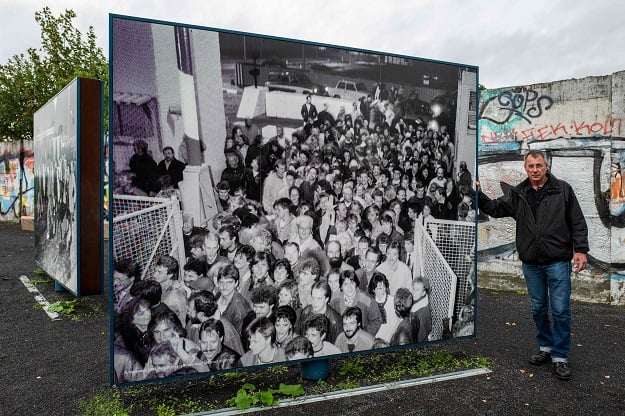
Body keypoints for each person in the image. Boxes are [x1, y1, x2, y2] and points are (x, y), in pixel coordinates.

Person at [477, 149, 589, 381]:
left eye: (539, 165)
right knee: (538, 308)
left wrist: (581, 251)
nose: (535, 170)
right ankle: (545, 348)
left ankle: (560, 357)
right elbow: (495, 209)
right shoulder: (519, 193)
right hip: (531, 263)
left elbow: (577, 221)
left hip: (557, 260)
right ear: (525, 168)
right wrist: (478, 195)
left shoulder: (563, 190)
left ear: (546, 166)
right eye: (531, 166)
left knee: (560, 310)